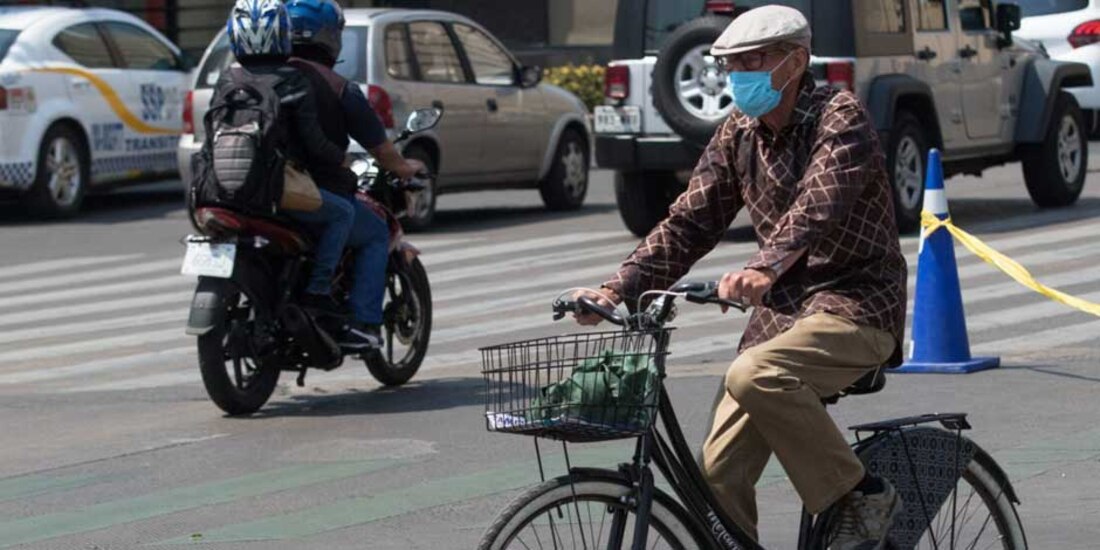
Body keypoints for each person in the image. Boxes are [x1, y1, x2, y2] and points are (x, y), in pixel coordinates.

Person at [573, 6, 908, 549]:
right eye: (730, 65)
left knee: (754, 374)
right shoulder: (740, 132)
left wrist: (763, 266)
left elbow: (816, 206)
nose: (738, 75)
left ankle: (863, 494)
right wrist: (617, 288)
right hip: (780, 319)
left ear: (794, 62)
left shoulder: (839, 116)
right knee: (714, 477)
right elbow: (690, 221)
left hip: (856, 305)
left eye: (753, 61)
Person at [284, 0, 424, 350]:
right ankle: (363, 323)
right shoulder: (338, 88)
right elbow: (382, 150)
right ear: (329, 37)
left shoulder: (262, 77)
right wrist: (406, 167)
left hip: (255, 193)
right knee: (376, 231)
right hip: (310, 193)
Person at [225, 0, 354, 320]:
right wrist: (341, 159)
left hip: (222, 192)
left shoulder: (228, 80)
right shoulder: (294, 79)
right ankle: (318, 290)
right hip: (273, 190)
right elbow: (315, 143)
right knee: (343, 214)